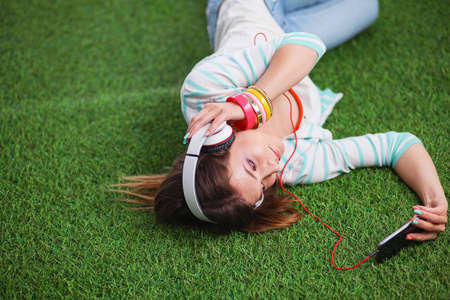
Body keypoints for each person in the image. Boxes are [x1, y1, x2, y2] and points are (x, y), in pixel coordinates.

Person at [118, 0, 447, 239]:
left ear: (217, 137)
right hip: (287, 30)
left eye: (251, 165)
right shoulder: (294, 164)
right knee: (366, 7)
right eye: (262, 187)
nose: (272, 169)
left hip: (250, 6)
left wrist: (249, 104)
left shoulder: (203, 92)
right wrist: (434, 199)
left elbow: (305, 46)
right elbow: (395, 145)